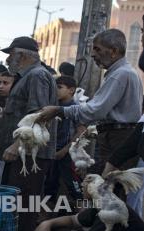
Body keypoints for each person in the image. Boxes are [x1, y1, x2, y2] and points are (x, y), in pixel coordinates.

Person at [37, 29, 143, 175]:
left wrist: (59, 110)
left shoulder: (120, 75)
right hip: (117, 136)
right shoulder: (123, 73)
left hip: (117, 138)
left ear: (113, 51)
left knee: (108, 187)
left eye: (97, 49)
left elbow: (94, 111)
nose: (93, 54)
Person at [0, 36, 58, 231]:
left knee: (24, 205)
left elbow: (39, 116)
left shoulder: (37, 76)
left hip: (30, 155)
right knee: (16, 203)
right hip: (24, 154)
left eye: (11, 54)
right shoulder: (28, 77)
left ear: (22, 55)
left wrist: (16, 145)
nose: (8, 59)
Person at [44, 76, 85, 209]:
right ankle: (47, 216)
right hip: (52, 152)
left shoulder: (75, 108)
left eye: (60, 87)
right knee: (49, 185)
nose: (56, 90)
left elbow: (81, 132)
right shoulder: (54, 107)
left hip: (68, 154)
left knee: (74, 186)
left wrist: (64, 150)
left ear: (71, 90)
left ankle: (83, 217)